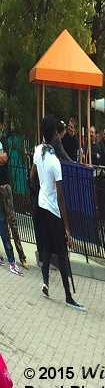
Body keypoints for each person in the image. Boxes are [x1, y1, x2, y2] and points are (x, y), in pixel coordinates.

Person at [33, 116, 84, 311]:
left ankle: (45, 281)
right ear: (54, 135)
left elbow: (32, 175)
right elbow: (61, 197)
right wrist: (67, 227)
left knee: (46, 246)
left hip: (41, 204)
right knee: (62, 253)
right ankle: (68, 296)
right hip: (53, 208)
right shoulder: (55, 161)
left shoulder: (38, 151)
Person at [0, 112, 27, 270]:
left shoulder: (4, 140)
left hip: (5, 185)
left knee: (12, 220)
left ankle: (21, 255)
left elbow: (5, 158)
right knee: (2, 223)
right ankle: (10, 255)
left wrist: (2, 157)